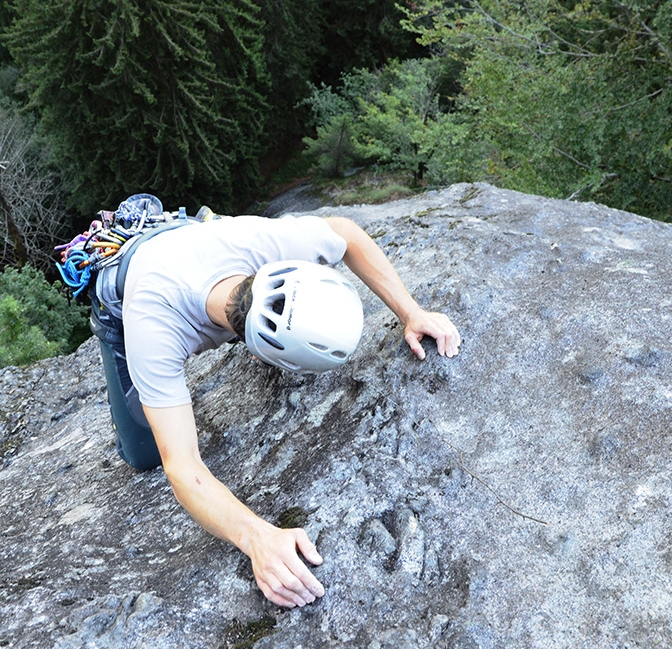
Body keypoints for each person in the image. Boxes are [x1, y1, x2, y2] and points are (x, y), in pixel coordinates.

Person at [99, 212, 461, 609]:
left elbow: (345, 233)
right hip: (124, 281)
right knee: (143, 452)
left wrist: (410, 311)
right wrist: (256, 538)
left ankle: (196, 221)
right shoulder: (153, 327)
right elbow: (182, 467)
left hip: (188, 240)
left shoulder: (263, 242)